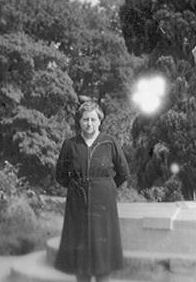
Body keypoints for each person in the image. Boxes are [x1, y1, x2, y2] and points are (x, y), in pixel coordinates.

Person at [54, 101, 130, 282]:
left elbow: (123, 173)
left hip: (103, 202)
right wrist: (76, 187)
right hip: (77, 202)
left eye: (93, 119)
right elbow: (60, 175)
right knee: (80, 251)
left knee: (102, 251)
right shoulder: (70, 144)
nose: (89, 123)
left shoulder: (110, 143)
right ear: (79, 121)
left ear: (100, 121)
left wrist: (105, 188)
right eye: (85, 119)